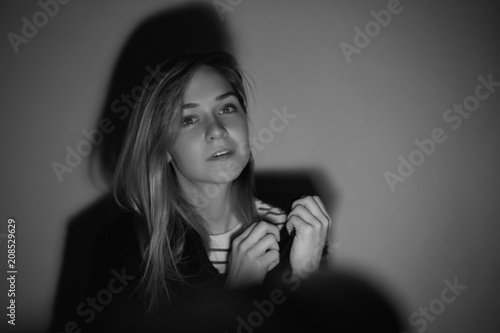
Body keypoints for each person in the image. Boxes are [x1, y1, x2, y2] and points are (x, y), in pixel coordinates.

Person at [86, 51, 332, 332]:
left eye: (227, 108)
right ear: (162, 147)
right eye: (189, 119)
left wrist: (307, 276)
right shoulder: (123, 249)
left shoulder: (299, 224)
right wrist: (238, 293)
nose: (217, 130)